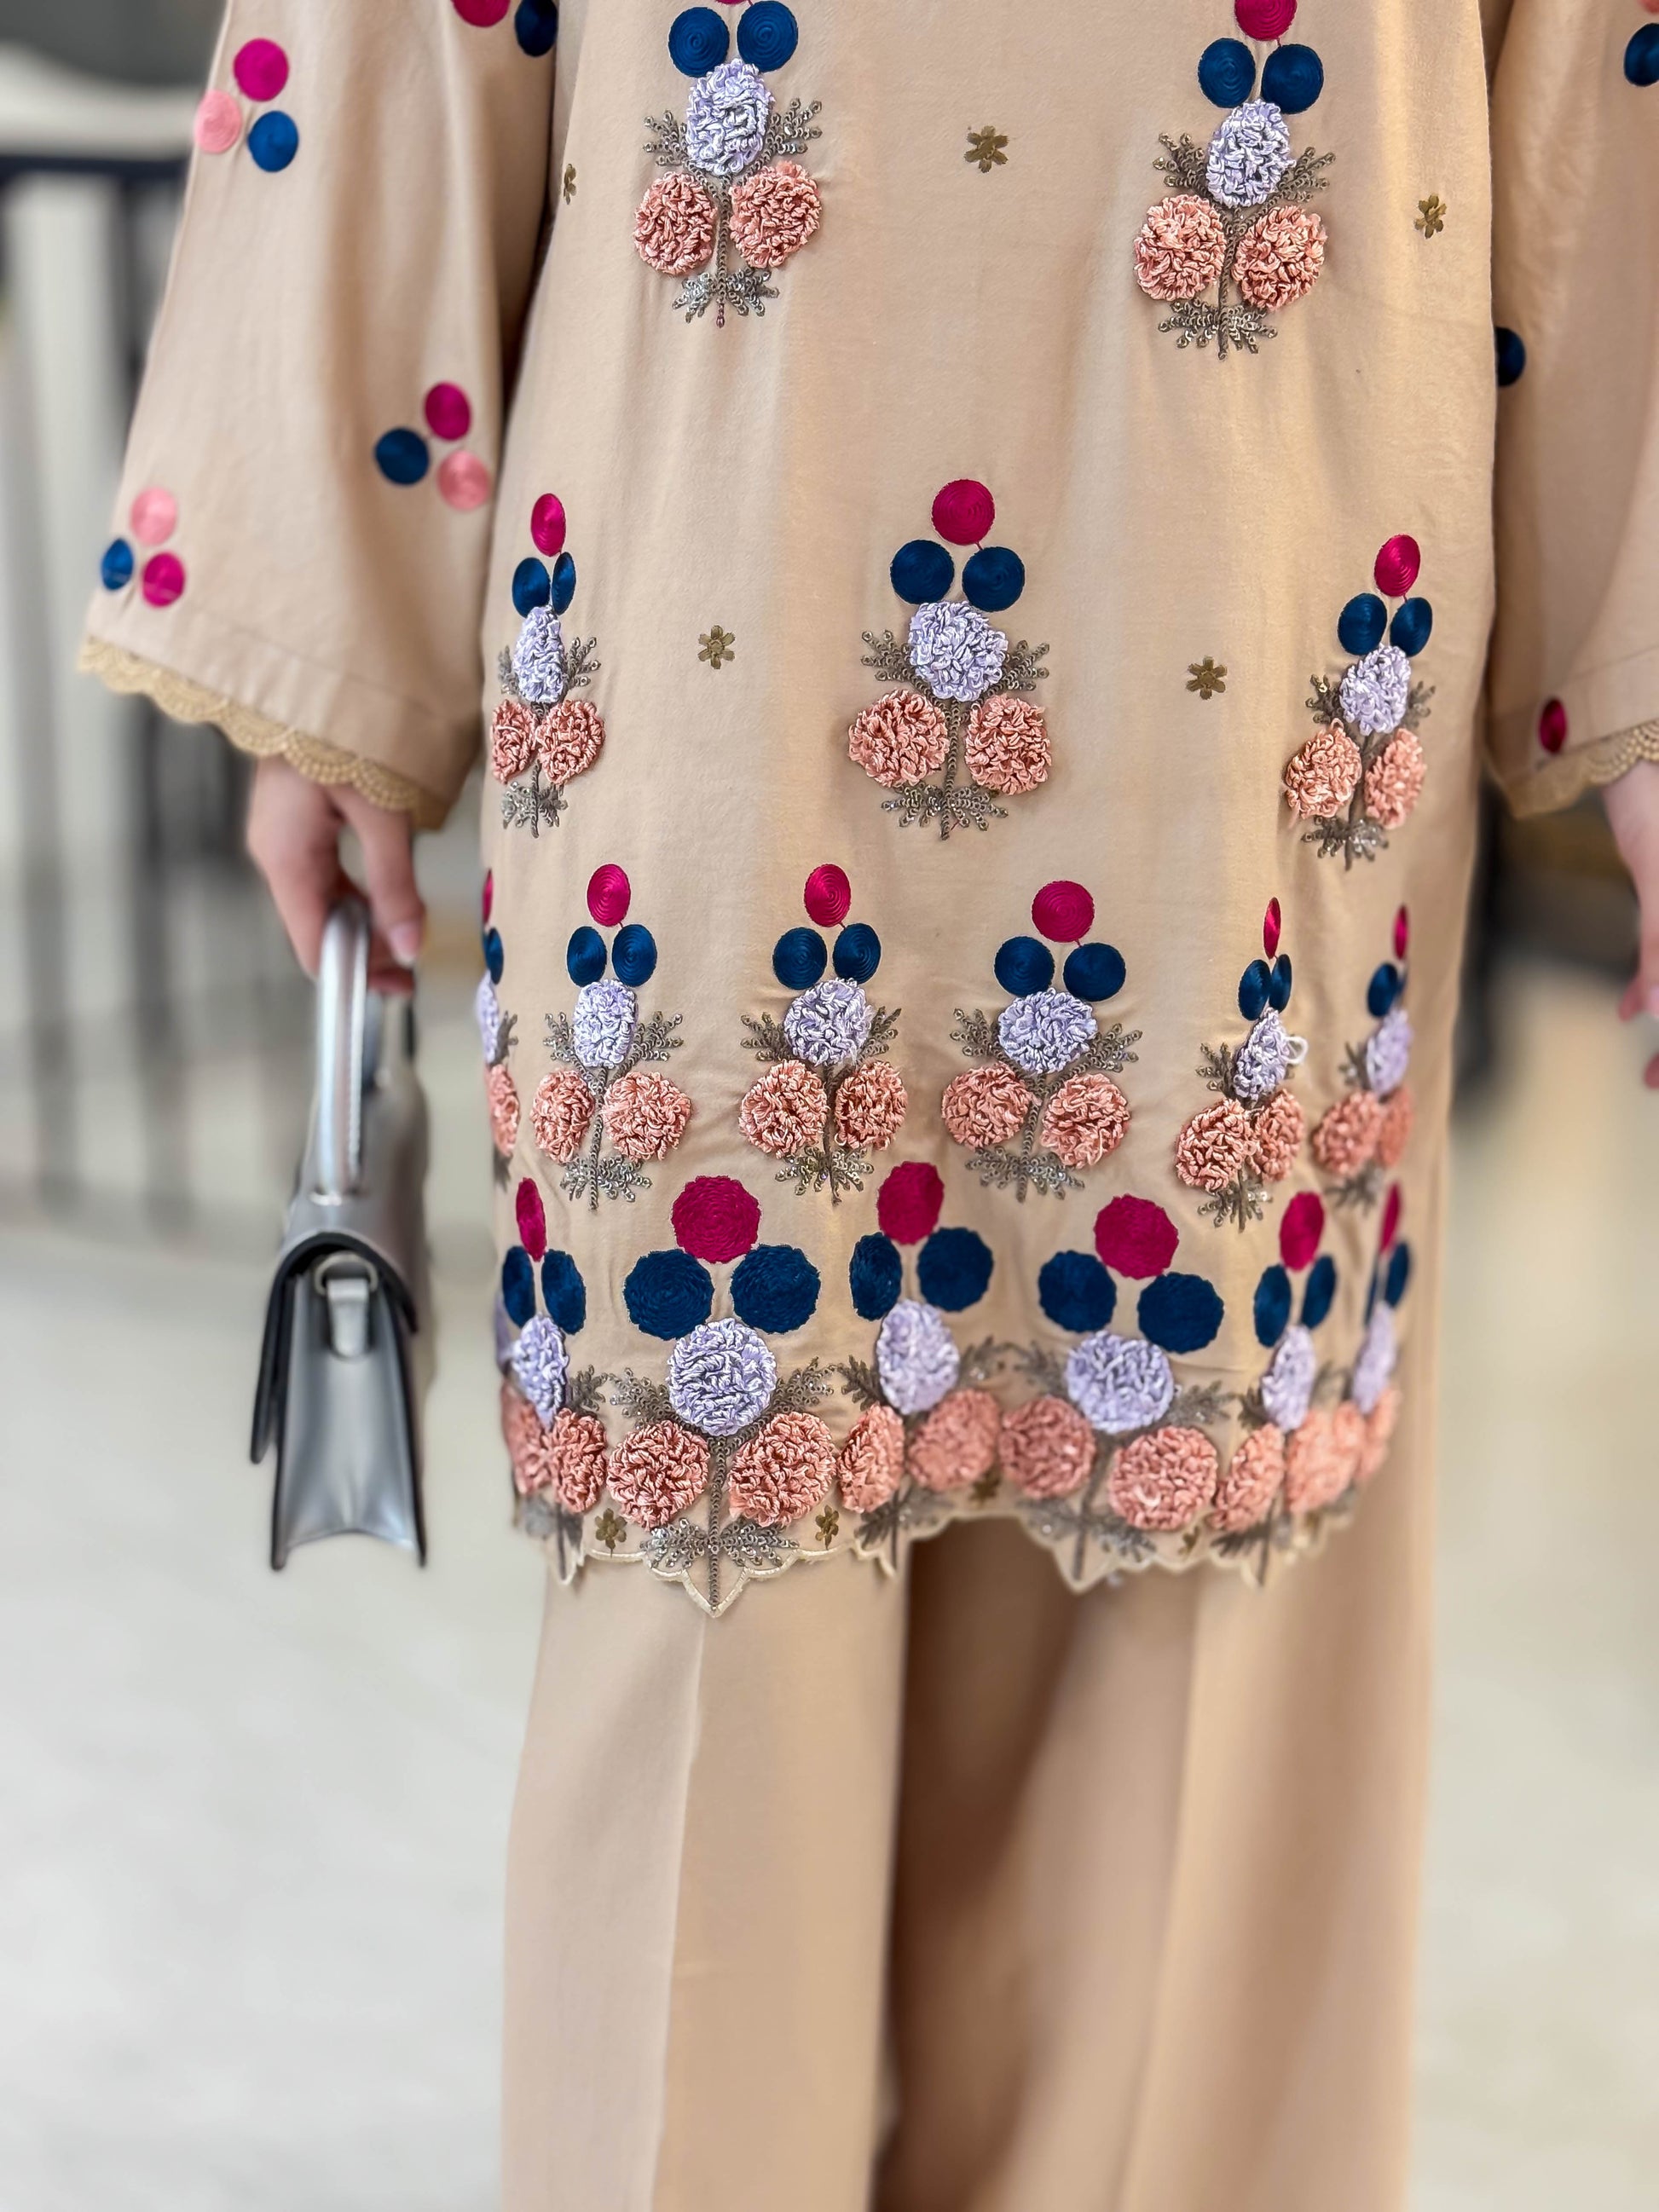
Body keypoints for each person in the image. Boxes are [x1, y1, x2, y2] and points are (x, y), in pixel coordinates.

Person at [81, 3, 1659, 2205]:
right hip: (718, 593)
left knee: (1187, 1665)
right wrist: (331, 651)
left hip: (1274, 618)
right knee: (712, 1633)